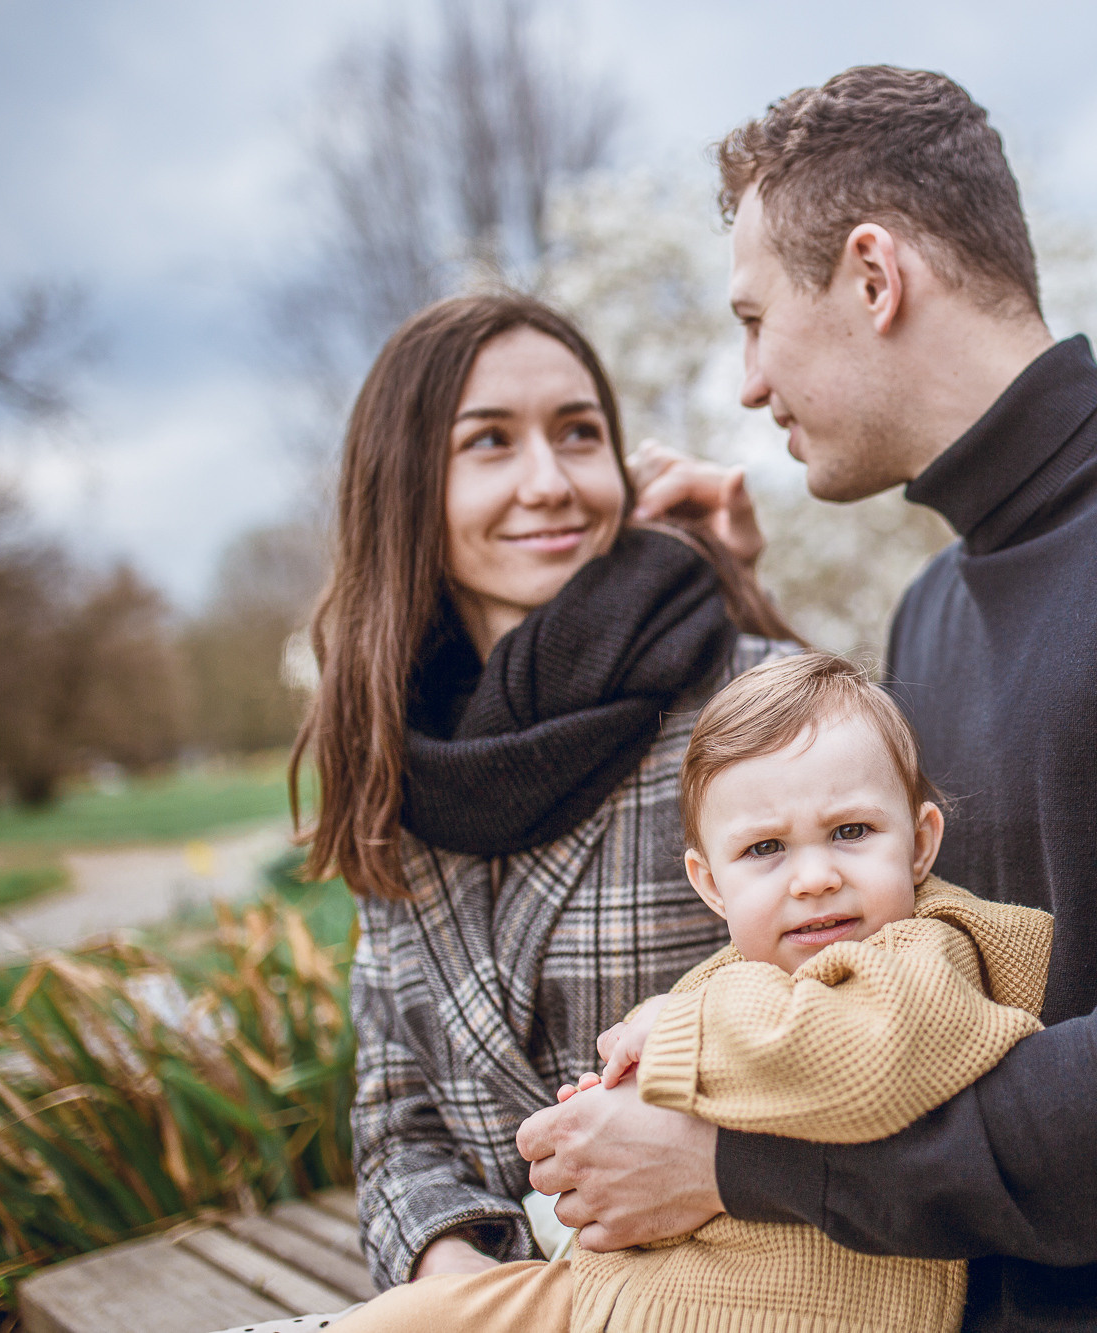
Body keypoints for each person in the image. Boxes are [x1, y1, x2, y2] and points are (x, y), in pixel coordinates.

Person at [517, 66, 1097, 1332]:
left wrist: (742, 1175)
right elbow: (872, 967)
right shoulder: (934, 606)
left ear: (871, 275)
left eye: (752, 319)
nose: (743, 384)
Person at [288, 292, 796, 1293]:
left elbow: (885, 1017)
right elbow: (396, 1108)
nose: (549, 482)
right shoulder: (393, 747)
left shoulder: (754, 710)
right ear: (403, 488)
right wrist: (451, 1279)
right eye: (488, 441)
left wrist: (719, 1163)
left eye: (578, 434)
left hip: (743, 1289)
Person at [324, 652, 1054, 1333]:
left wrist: (677, 1033)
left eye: (852, 830)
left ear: (920, 841)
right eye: (765, 848)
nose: (813, 876)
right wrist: (611, 1107)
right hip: (617, 1288)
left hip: (760, 1312)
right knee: (407, 1316)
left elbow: (868, 1055)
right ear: (710, 882)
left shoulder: (923, 951)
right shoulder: (739, 966)